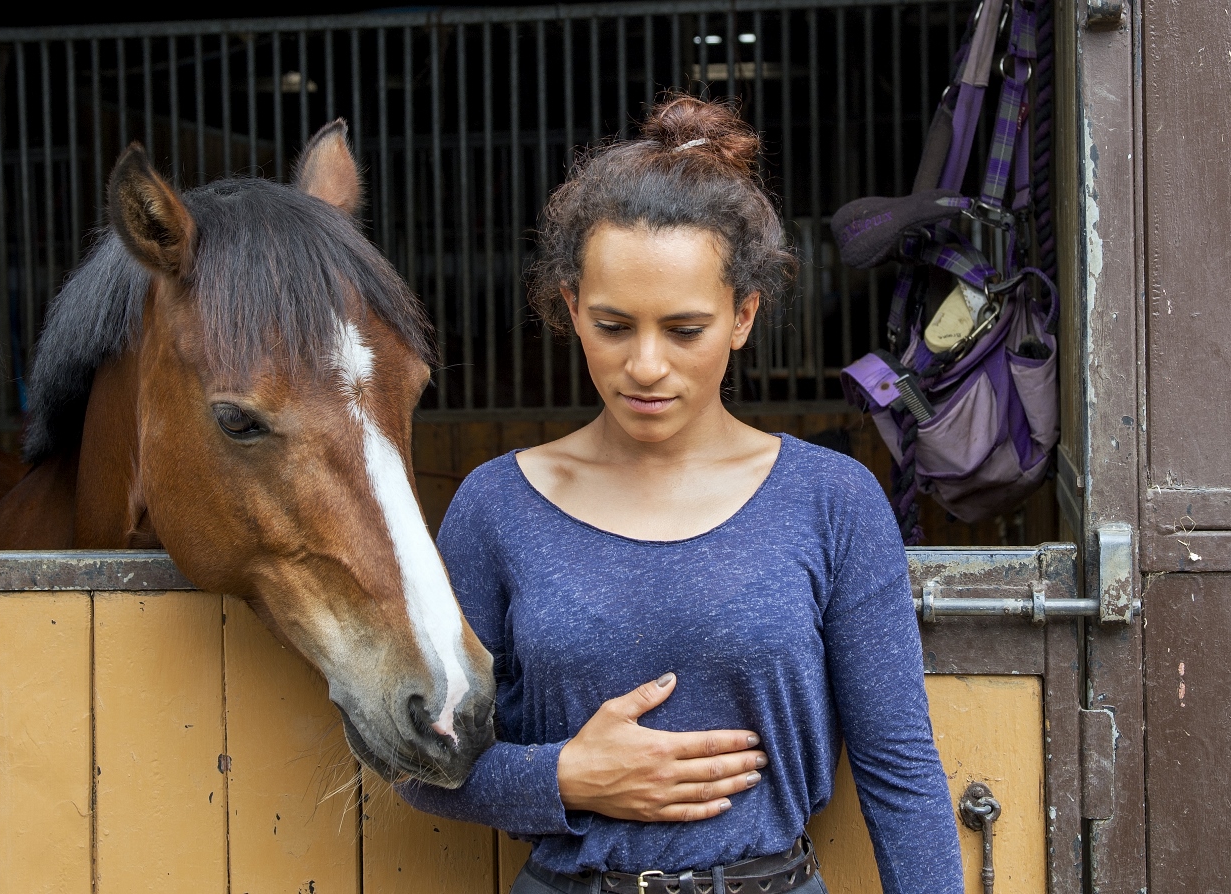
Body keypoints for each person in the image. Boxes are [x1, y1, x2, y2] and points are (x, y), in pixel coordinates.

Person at [400, 95, 964, 894]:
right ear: (571, 310)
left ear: (743, 315)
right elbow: (420, 765)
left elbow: (899, 768)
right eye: (614, 325)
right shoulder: (497, 507)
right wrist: (563, 776)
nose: (647, 366)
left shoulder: (832, 499)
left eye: (686, 329)